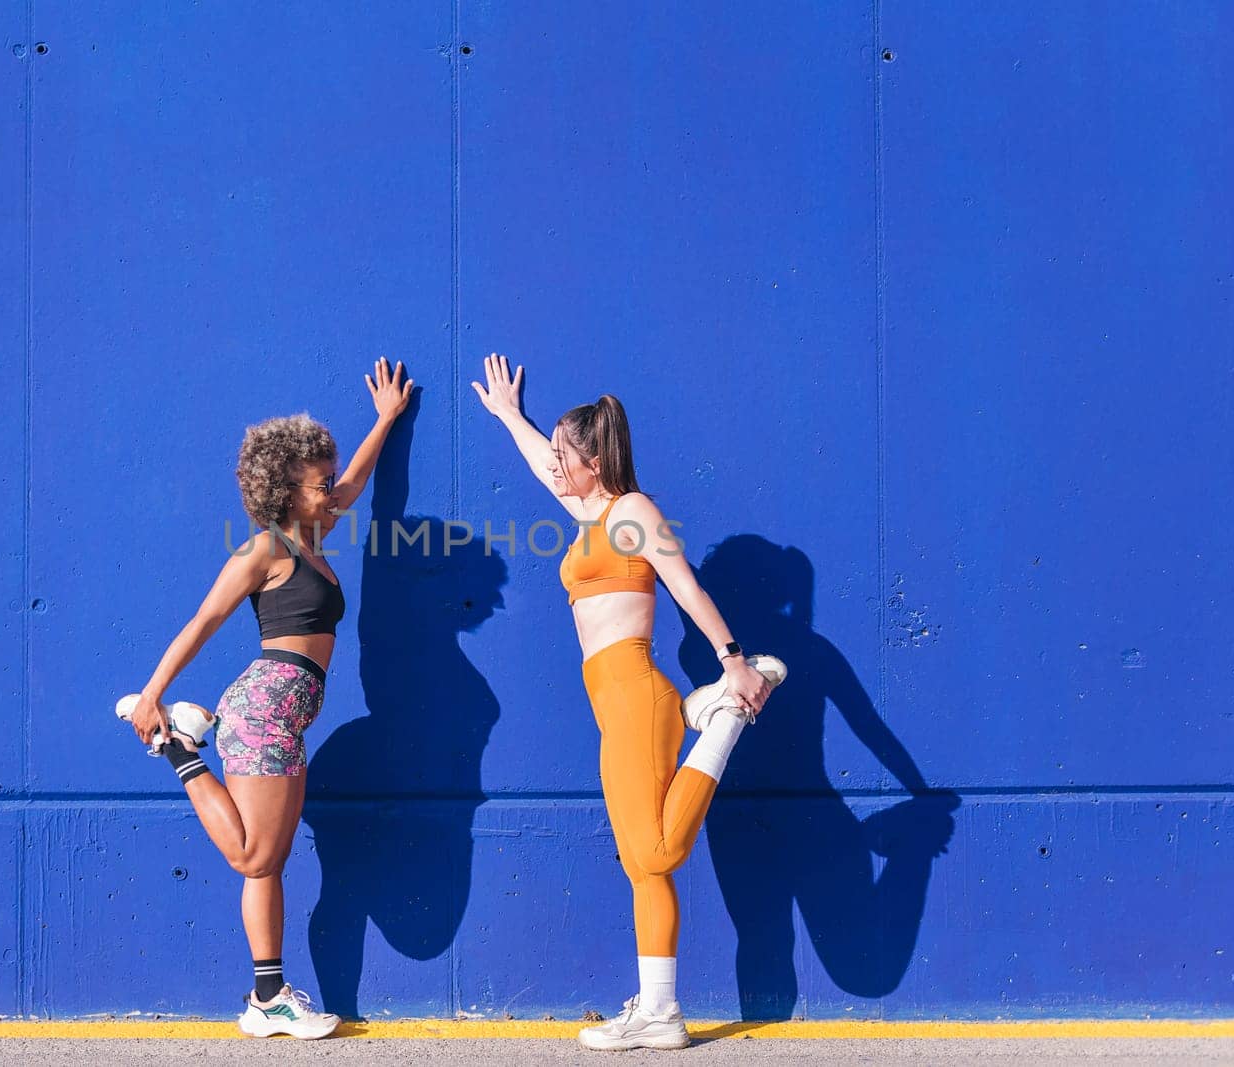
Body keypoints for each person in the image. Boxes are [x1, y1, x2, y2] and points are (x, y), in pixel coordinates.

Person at [472, 353, 778, 1051]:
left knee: (660, 849)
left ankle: (723, 721)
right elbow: (542, 471)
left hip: (639, 696)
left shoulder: (632, 511)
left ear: (593, 456)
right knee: (641, 865)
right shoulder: (591, 515)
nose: (555, 465)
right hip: (611, 707)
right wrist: (508, 415)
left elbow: (684, 584)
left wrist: (732, 659)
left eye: (563, 454)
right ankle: (660, 1011)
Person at [123, 358, 413, 1038]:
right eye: (317, 482)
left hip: (288, 716)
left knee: (271, 861)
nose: (329, 489)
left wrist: (386, 419)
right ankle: (178, 750)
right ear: (285, 487)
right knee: (254, 858)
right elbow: (202, 622)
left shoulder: (312, 540)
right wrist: (153, 695)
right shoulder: (264, 549)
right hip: (261, 708)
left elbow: (356, 485)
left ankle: (267, 997)